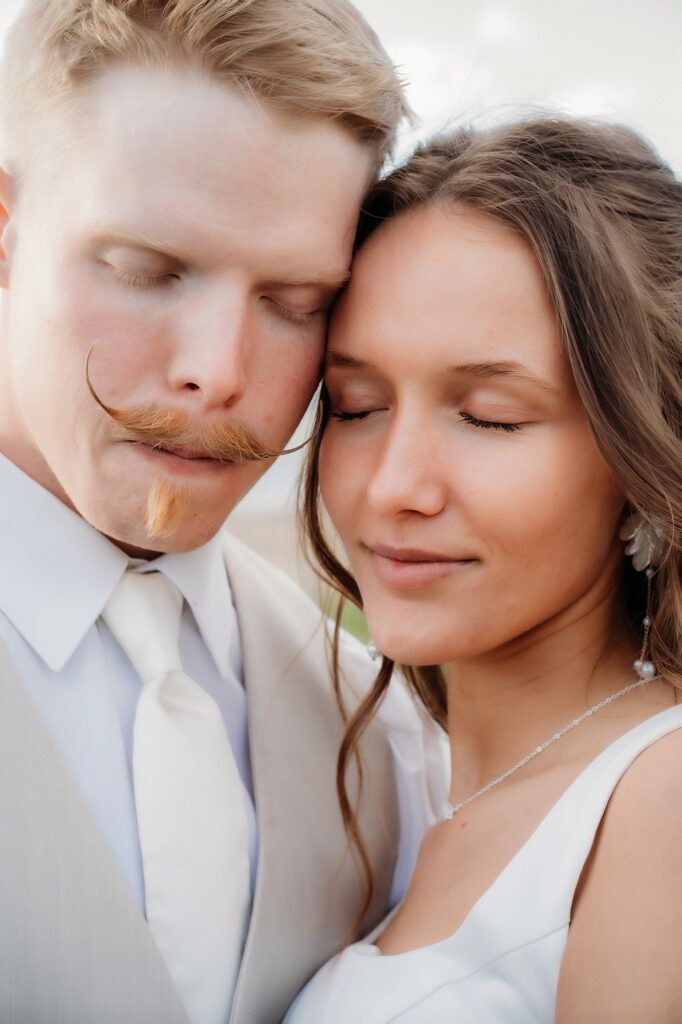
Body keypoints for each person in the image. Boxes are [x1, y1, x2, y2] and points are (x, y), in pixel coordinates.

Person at [0, 3, 447, 1023]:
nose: (218, 372)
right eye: (146, 271)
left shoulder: (377, 713)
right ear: (6, 232)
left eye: (294, 302)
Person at [287, 115, 682, 1021]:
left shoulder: (660, 804)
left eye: (492, 416)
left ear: (643, 453)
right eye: (356, 406)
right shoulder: (401, 786)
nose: (395, 487)